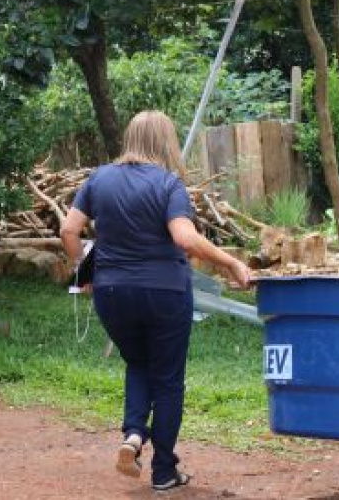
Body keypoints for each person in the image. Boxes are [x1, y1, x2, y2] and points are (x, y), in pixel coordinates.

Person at [60, 110, 252, 491]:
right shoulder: (169, 185)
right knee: (167, 381)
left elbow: (69, 229)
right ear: (166, 141)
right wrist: (231, 263)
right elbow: (183, 238)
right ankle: (164, 471)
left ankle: (133, 435)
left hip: (112, 293)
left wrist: (85, 273)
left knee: (137, 363)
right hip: (164, 293)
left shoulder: (99, 179)